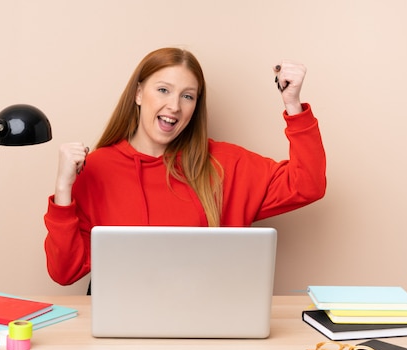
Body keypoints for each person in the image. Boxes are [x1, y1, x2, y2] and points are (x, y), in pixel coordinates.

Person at [44, 47, 326, 287]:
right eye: (163, 90)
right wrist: (62, 188)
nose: (174, 106)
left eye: (187, 96)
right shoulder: (98, 168)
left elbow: (307, 185)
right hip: (124, 328)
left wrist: (293, 106)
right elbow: (64, 273)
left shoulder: (224, 163)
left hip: (208, 325)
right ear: (139, 94)